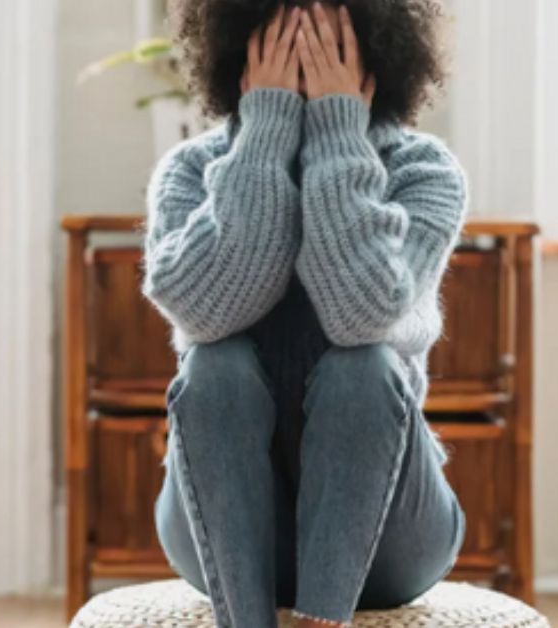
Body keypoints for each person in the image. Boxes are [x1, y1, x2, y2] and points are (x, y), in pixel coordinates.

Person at [142, 1, 467, 626]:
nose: (303, 59)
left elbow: (361, 315)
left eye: (326, 45)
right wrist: (265, 135)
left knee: (363, 366)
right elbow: (208, 313)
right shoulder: (189, 170)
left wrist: (339, 133)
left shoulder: (422, 172)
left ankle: (326, 619)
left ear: (373, 57)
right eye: (282, 42)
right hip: (223, 533)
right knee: (216, 363)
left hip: (389, 541)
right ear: (240, 55)